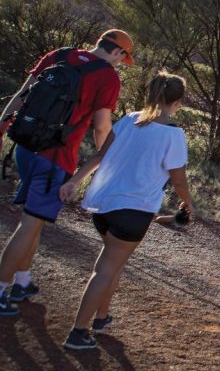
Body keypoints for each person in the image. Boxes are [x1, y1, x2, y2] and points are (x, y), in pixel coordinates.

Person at [0, 30, 133, 316]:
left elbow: (22, 94)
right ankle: (1, 288)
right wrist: (102, 158)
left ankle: (22, 281)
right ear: (117, 52)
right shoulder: (107, 76)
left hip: (25, 147)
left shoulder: (59, 55)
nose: (122, 62)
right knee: (29, 225)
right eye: (124, 57)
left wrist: (1, 125)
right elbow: (101, 127)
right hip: (56, 158)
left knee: (32, 221)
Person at [58, 71, 193, 350]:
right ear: (178, 102)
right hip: (133, 211)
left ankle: (102, 317)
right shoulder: (174, 135)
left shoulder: (130, 119)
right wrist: (187, 203)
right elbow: (178, 179)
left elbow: (99, 156)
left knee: (112, 263)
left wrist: (74, 181)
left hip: (103, 206)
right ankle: (78, 332)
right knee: (105, 269)